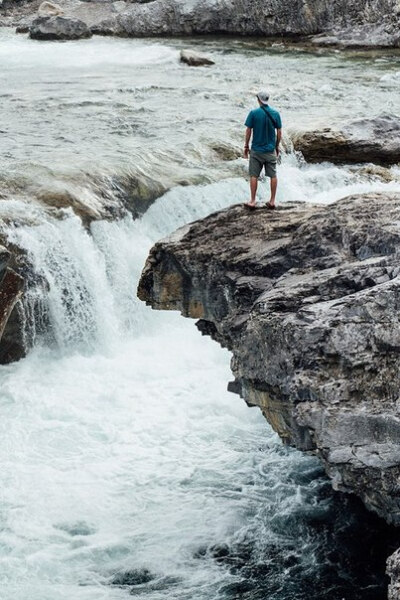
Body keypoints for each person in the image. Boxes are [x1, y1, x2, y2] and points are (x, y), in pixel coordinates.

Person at [243, 91, 282, 210]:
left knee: (254, 175)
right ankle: (272, 201)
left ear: (259, 99)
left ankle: (253, 201)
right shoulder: (275, 113)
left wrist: (246, 146)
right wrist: (276, 146)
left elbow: (248, 130)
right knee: (273, 175)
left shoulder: (253, 113)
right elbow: (279, 132)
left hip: (256, 150)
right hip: (270, 150)